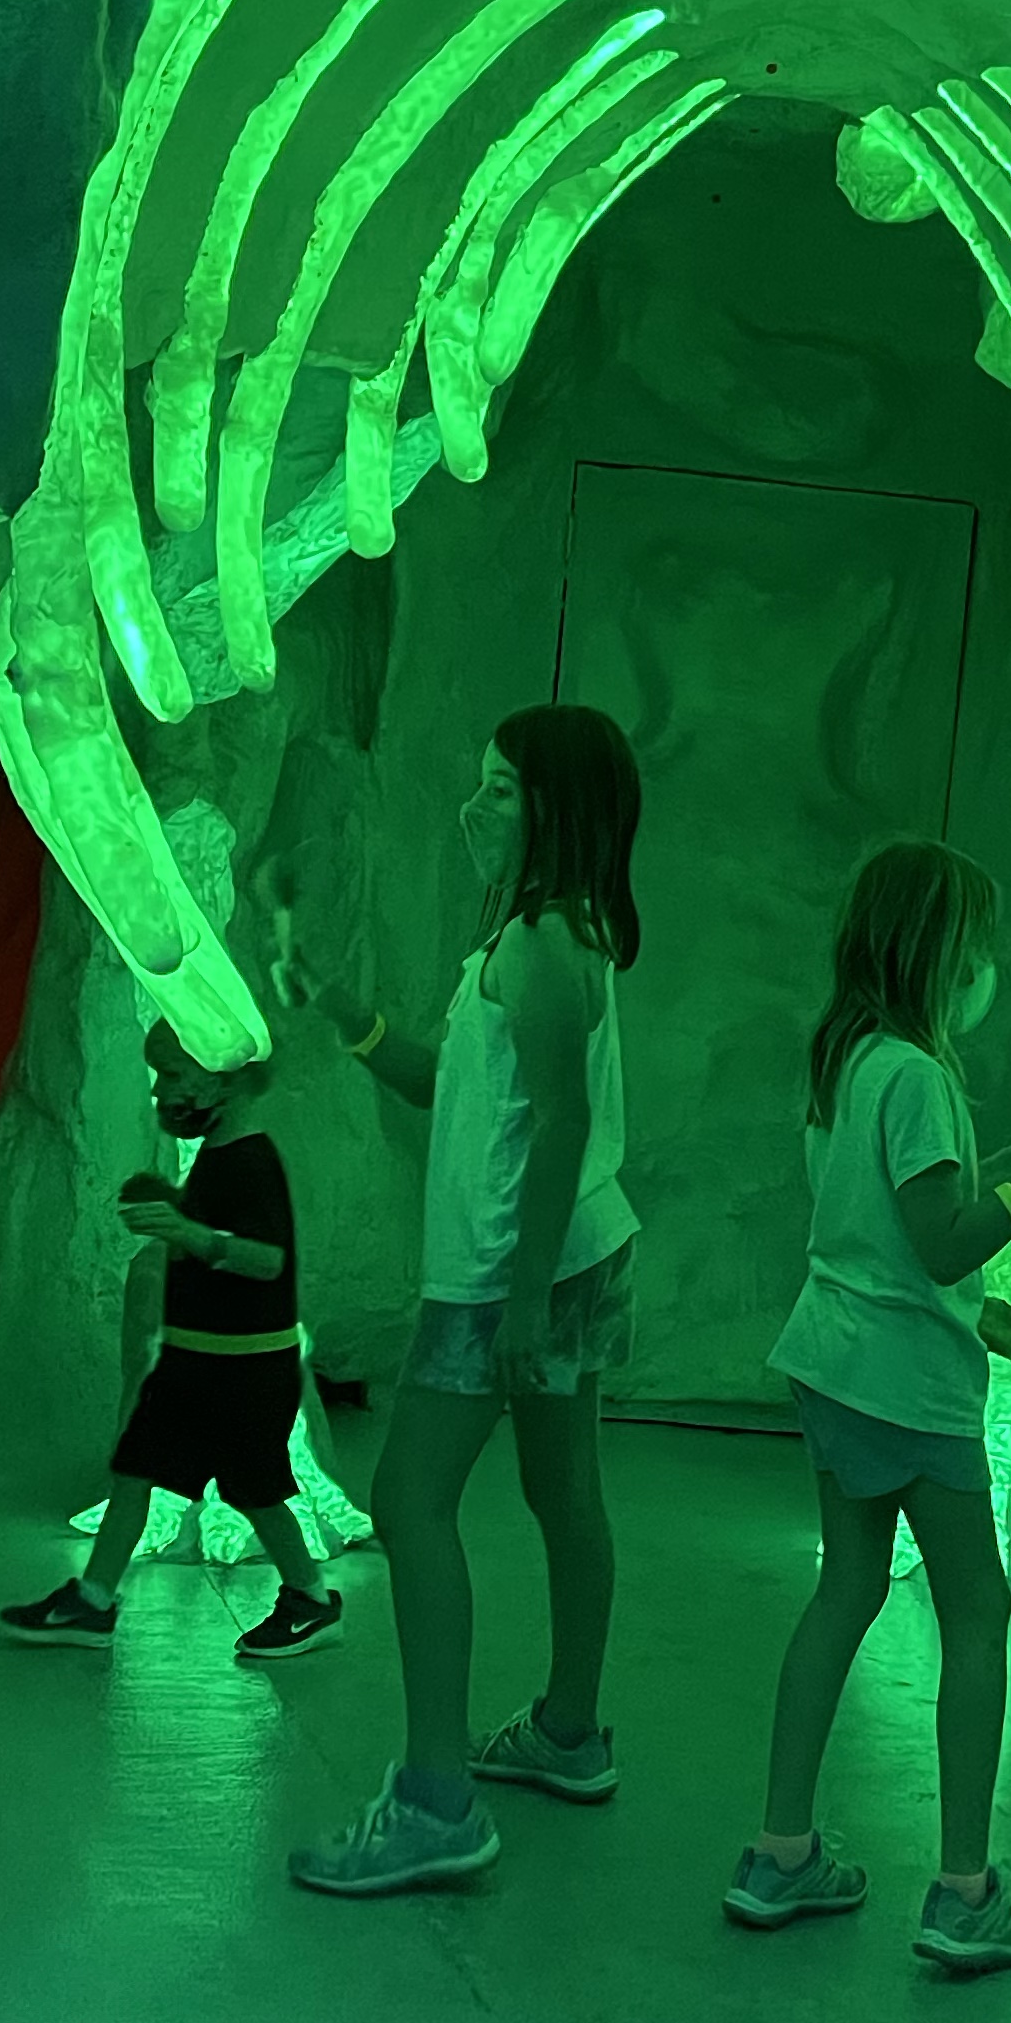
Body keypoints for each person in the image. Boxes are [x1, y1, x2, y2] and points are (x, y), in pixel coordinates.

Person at [728, 840, 1011, 1974]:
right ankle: (965, 1892)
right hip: (909, 1386)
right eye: (978, 945)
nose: (987, 966)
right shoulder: (917, 1077)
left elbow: (934, 1187)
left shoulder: (853, 1060)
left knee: (847, 1589)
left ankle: (779, 1852)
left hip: (832, 1361)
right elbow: (948, 1239)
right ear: (936, 952)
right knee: (976, 1613)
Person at [279, 704, 643, 1894]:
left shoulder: (538, 945)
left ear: (554, 811)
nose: (471, 808)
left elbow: (561, 1124)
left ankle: (437, 1800)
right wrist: (349, 1015)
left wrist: (520, 1300)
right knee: (562, 1488)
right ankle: (570, 1731)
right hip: (574, 1252)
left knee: (407, 1496)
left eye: (499, 790)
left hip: (504, 1274)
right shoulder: (545, 934)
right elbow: (462, 1085)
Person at [0, 1022, 342, 1660]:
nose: (162, 1092)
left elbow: (267, 1259)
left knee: (257, 1491)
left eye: (175, 1076)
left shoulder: (251, 1161)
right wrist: (172, 1212)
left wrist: (187, 1233)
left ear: (222, 1082)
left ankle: (311, 1598)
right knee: (135, 1472)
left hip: (242, 1369)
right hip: (194, 1362)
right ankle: (93, 1598)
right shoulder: (217, 1157)